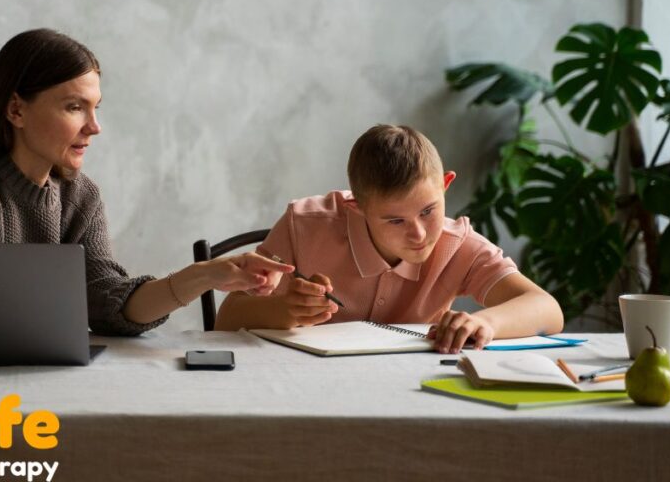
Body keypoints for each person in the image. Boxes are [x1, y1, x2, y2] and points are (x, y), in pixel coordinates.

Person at [0, 28, 292, 336]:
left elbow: (108, 304)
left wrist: (207, 274)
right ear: (16, 109)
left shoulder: (80, 195)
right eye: (74, 107)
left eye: (95, 108)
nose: (95, 127)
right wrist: (82, 301)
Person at [214, 124, 564, 353]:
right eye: (395, 220)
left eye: (429, 210)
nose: (420, 233)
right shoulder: (303, 226)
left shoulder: (458, 244)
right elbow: (226, 319)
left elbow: (547, 310)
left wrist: (485, 322)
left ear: (445, 185)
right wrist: (282, 309)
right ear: (357, 206)